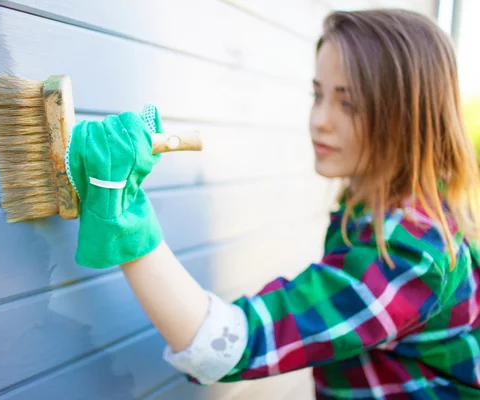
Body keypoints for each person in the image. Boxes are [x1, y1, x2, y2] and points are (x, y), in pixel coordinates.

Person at [66, 7, 480, 400]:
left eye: (348, 102)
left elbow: (225, 347)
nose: (320, 119)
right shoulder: (385, 205)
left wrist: (124, 214)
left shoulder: (410, 252)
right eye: (317, 94)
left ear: (408, 115)